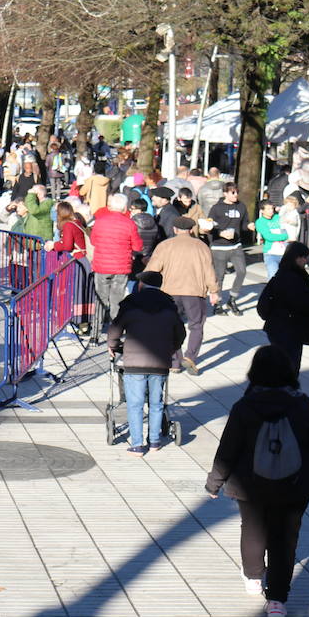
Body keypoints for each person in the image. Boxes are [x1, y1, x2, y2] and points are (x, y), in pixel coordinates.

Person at [205, 346, 309, 617]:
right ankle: (277, 600)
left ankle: (254, 578)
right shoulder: (303, 404)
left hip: (250, 482)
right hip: (295, 482)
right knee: (285, 538)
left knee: (252, 528)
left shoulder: (244, 406)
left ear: (254, 372)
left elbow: (228, 449)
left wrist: (215, 482)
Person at [106, 271, 185, 456]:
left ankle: (137, 444)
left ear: (141, 284)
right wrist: (171, 348)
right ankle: (155, 441)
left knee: (135, 404)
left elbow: (116, 328)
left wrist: (113, 345)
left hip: (134, 363)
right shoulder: (169, 305)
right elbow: (180, 333)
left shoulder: (131, 303)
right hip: (160, 363)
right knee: (156, 403)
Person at [145, 217, 220, 375]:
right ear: (191, 230)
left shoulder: (165, 245)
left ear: (175, 229)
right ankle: (190, 357)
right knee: (196, 325)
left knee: (170, 326)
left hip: (169, 292)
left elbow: (153, 269)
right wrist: (214, 291)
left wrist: (144, 283)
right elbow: (209, 270)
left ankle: (174, 361)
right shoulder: (201, 246)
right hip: (195, 292)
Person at [257, 242, 309, 374]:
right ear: (296, 257)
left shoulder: (289, 273)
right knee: (288, 366)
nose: (306, 261)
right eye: (304, 257)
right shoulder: (291, 277)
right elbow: (300, 303)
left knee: (285, 364)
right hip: (287, 329)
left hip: (282, 328)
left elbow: (303, 296)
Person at [89, 193, 143, 341]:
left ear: (110, 206)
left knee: (100, 299)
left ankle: (95, 334)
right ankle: (115, 333)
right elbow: (138, 246)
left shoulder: (100, 222)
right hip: (121, 266)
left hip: (102, 266)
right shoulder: (129, 224)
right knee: (117, 300)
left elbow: (93, 241)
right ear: (125, 208)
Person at [207, 183, 251, 315]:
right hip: (219, 247)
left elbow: (244, 224)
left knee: (242, 271)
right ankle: (218, 303)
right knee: (219, 276)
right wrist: (221, 233)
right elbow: (210, 227)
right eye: (233, 192)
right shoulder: (216, 208)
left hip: (235, 245)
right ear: (225, 193)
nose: (236, 195)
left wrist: (249, 226)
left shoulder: (241, 206)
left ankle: (232, 299)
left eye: (237, 192)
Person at [255, 201, 290, 279]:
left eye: (272, 208)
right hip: (271, 254)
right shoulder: (260, 222)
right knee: (273, 277)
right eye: (268, 209)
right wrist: (285, 236)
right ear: (262, 211)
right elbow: (269, 236)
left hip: (285, 253)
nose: (271, 211)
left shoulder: (278, 217)